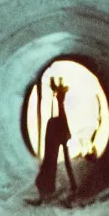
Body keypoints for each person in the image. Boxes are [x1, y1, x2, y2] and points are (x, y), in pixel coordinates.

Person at [33, 76, 77, 204]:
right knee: (59, 160)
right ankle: (71, 185)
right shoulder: (55, 118)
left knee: (52, 160)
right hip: (60, 129)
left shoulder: (54, 120)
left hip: (58, 129)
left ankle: (51, 190)